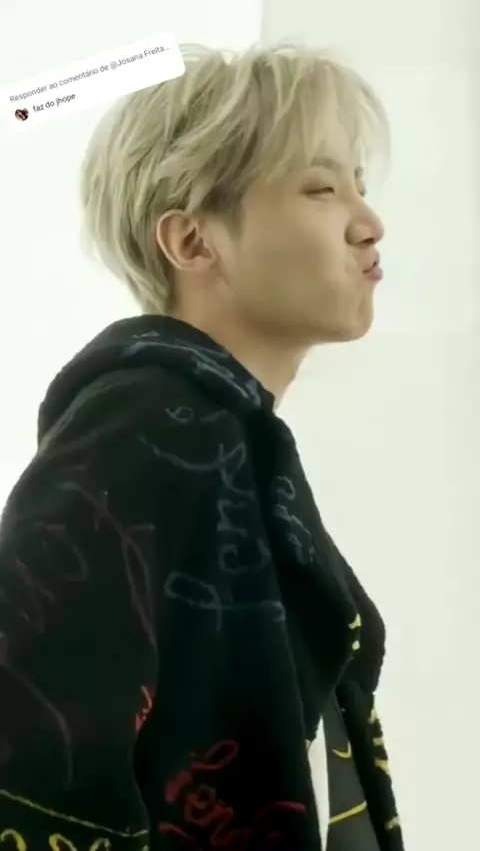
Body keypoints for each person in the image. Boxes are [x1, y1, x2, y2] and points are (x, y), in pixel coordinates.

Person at [0, 43, 403, 851]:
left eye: (359, 183)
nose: (369, 223)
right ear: (191, 242)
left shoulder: (233, 445)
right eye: (322, 188)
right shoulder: (142, 429)